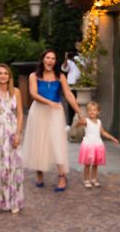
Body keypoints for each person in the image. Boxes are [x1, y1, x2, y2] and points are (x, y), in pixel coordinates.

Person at [22, 49, 85, 192]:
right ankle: (39, 172)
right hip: (38, 111)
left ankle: (62, 175)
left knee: (58, 142)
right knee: (39, 141)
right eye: (47, 58)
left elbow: (68, 95)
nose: (50, 61)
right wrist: (49, 103)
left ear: (55, 61)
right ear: (43, 59)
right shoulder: (34, 76)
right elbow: (33, 94)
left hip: (56, 112)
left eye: (53, 58)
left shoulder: (60, 76)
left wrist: (79, 113)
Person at [0, 64, 24, 214]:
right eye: (0, 73)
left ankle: (14, 200)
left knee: (13, 167)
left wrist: (18, 133)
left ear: (9, 76)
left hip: (12, 131)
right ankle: (0, 200)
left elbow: (20, 114)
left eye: (5, 73)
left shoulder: (16, 92)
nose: (2, 76)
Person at [77, 101, 119, 188]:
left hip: (97, 145)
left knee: (95, 164)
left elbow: (103, 132)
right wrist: (80, 122)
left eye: (94, 110)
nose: (92, 112)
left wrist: (112, 138)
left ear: (98, 112)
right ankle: (86, 179)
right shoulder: (86, 121)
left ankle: (94, 179)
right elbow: (78, 125)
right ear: (87, 112)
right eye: (90, 110)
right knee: (87, 164)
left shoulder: (99, 122)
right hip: (88, 145)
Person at [61, 49, 81, 126]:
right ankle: (69, 123)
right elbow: (64, 68)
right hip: (71, 84)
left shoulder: (82, 57)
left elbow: (85, 67)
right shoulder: (69, 61)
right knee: (70, 104)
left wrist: (76, 61)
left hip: (79, 84)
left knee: (78, 103)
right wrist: (66, 59)